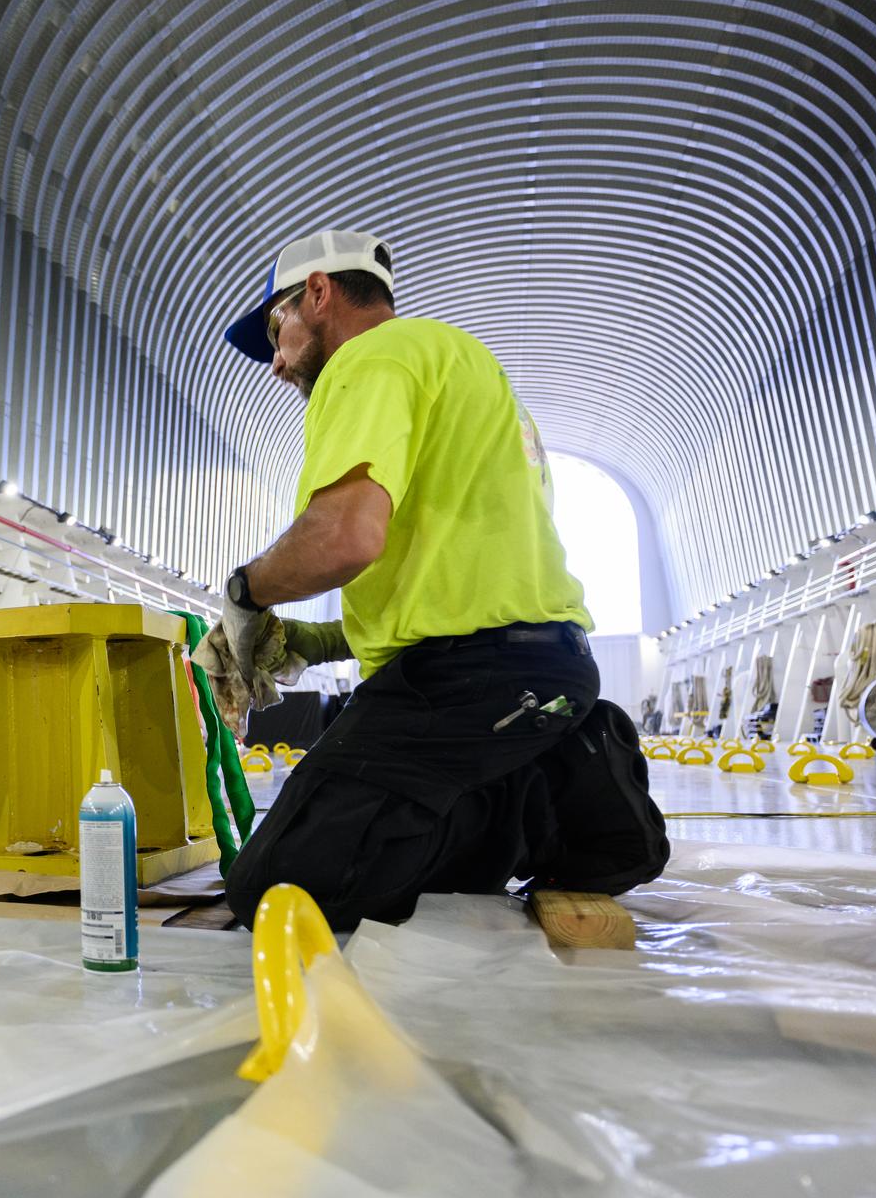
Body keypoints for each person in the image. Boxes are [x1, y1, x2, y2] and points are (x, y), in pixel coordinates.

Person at [213, 229, 669, 930]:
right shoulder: (466, 370)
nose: (275, 363)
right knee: (424, 848)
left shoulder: (368, 358)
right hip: (548, 669)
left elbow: (344, 537)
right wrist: (311, 637)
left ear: (317, 293)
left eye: (277, 330)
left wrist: (245, 594)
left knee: (279, 892)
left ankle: (548, 790)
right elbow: (455, 589)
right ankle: (567, 781)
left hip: (460, 684)